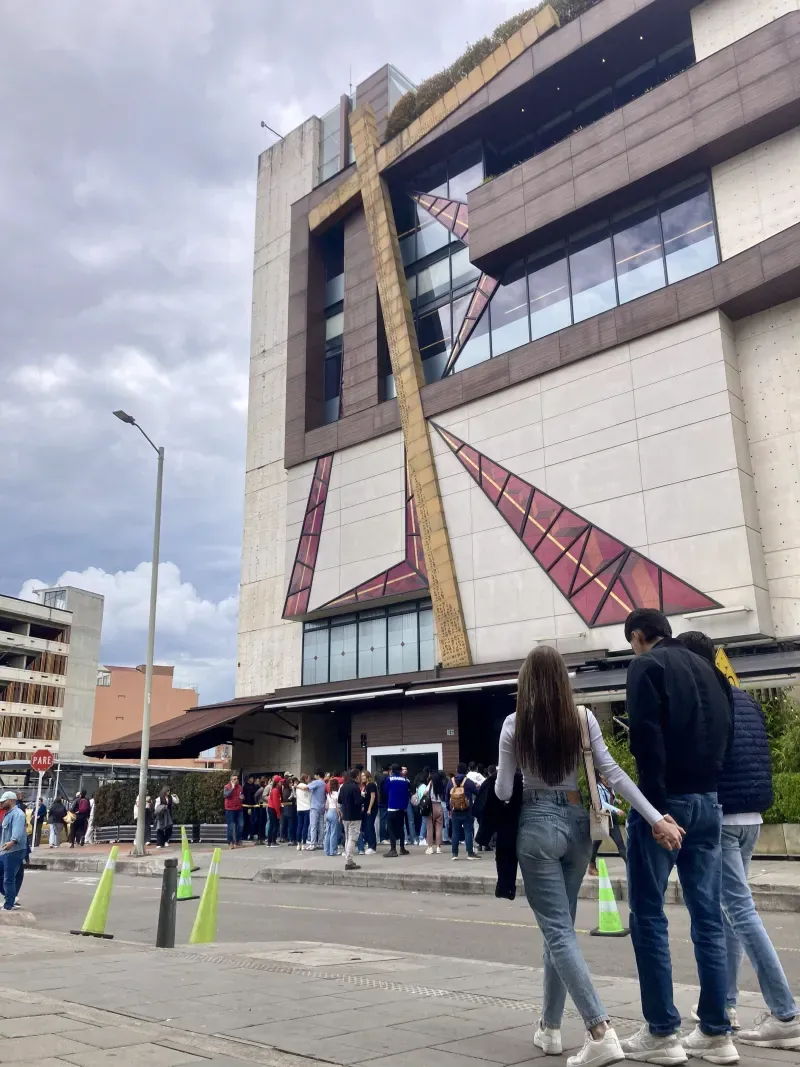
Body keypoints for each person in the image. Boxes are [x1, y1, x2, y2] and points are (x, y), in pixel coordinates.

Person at [497, 644, 683, 1067]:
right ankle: (549, 1027)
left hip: (536, 826)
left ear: (525, 682)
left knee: (557, 931)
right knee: (559, 929)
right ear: (563, 681)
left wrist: (500, 777)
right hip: (579, 824)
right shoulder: (581, 718)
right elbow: (612, 773)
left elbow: (506, 792)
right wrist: (656, 818)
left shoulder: (513, 724)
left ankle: (600, 1031)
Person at [622, 609, 736, 1064]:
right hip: (709, 801)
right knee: (708, 916)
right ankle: (716, 1030)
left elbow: (645, 740)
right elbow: (725, 734)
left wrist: (653, 812)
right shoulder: (712, 672)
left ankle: (663, 1032)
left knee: (648, 915)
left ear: (637, 636)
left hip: (666, 804)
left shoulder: (646, 666)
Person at [678, 631, 800, 1050]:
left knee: (739, 911)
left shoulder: (707, 698)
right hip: (751, 816)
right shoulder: (742, 697)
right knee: (731, 911)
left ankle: (785, 1013)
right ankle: (724, 1004)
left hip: (723, 818)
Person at [588, 775, 627, 876]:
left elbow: (609, 799)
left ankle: (631, 867)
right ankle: (591, 866)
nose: (607, 779)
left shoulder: (610, 786)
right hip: (603, 818)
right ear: (600, 776)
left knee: (620, 844)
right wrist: (616, 809)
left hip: (611, 819)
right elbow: (602, 803)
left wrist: (615, 800)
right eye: (605, 776)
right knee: (596, 843)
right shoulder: (598, 788)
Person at [445, 764, 480, 860]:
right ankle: (470, 853)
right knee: (468, 831)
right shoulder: (468, 782)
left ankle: (454, 854)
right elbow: (477, 792)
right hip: (467, 810)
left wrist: (449, 808)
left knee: (455, 832)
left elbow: (447, 796)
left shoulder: (450, 782)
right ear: (466, 771)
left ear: (456, 770)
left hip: (455, 811)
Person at [0, 792, 26, 910]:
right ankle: (10, 897)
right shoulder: (8, 814)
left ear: (10, 800)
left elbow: (18, 832)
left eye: (3, 801)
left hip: (13, 851)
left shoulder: (18, 814)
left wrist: (12, 842)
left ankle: (9, 904)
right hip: (5, 851)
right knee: (6, 878)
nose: (1, 803)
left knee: (8, 878)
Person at [338, 768, 362, 871]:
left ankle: (348, 859)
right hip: (355, 816)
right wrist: (363, 798)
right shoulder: (355, 787)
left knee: (348, 838)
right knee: (352, 838)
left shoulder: (343, 786)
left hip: (346, 816)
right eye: (359, 775)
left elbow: (339, 800)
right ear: (356, 776)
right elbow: (358, 802)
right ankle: (349, 861)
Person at [385, 764, 411, 857]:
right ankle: (402, 848)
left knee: (391, 828)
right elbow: (407, 794)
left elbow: (385, 791)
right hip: (402, 808)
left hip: (392, 807)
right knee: (400, 828)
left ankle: (393, 849)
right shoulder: (405, 780)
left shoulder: (389, 779)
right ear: (400, 771)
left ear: (392, 770)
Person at [425, 769, 446, 855]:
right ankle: (438, 847)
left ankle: (430, 847)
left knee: (430, 828)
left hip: (431, 807)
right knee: (439, 828)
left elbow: (425, 792)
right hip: (439, 806)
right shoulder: (441, 784)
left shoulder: (430, 783)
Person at [306, 769, 326, 851]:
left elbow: (307, 787)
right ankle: (320, 843)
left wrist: (297, 786)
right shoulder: (324, 784)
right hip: (322, 807)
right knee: (321, 826)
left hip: (314, 806)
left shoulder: (316, 782)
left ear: (318, 775)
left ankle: (312, 843)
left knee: (313, 825)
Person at [224, 774, 244, 849]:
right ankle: (230, 842)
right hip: (230, 809)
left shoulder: (240, 787)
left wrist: (242, 797)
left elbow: (242, 795)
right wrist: (232, 788)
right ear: (231, 780)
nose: (236, 780)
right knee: (231, 826)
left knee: (241, 825)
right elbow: (226, 795)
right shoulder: (227, 787)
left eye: (237, 779)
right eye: (234, 779)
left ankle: (238, 841)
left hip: (239, 808)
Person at [360, 771, 378, 855]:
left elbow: (373, 796)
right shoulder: (366, 786)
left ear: (367, 776)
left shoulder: (371, 785)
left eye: (364, 776)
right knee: (367, 827)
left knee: (370, 827)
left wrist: (369, 808)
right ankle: (370, 844)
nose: (362, 777)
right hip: (367, 809)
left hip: (372, 809)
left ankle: (372, 847)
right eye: (361, 776)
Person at [324, 779, 340, 857]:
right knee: (334, 832)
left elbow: (326, 806)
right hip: (334, 812)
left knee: (328, 832)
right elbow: (337, 807)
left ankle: (326, 851)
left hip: (328, 812)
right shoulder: (337, 794)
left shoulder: (329, 794)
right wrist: (340, 816)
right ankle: (333, 851)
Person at [401, 766, 417, 846]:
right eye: (403, 769)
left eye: (406, 769)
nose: (405, 770)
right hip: (402, 800)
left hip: (407, 800)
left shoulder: (408, 780)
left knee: (411, 820)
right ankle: (405, 839)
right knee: (403, 821)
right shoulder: (401, 780)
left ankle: (413, 838)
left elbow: (411, 790)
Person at [295, 774, 311, 851]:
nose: (309, 780)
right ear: (305, 778)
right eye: (308, 778)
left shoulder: (297, 787)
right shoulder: (307, 787)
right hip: (307, 808)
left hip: (299, 808)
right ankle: (304, 843)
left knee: (299, 826)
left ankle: (298, 844)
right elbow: (310, 797)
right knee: (305, 827)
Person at [267, 776, 282, 846]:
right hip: (273, 809)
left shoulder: (273, 789)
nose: (281, 783)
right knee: (275, 825)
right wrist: (278, 813)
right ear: (277, 782)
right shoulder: (275, 790)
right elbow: (276, 803)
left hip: (271, 808)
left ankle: (270, 841)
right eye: (280, 782)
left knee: (272, 825)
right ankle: (273, 841)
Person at [377, 765, 390, 844]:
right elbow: (386, 791)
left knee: (382, 819)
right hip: (385, 801)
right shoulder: (386, 778)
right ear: (389, 770)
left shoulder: (379, 778)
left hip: (380, 801)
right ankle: (383, 837)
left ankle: (383, 837)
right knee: (384, 820)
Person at [242, 775, 257, 841]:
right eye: (252, 778)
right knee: (248, 821)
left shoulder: (253, 786)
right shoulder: (246, 787)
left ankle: (251, 834)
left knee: (252, 821)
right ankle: (245, 835)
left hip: (253, 806)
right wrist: (249, 807)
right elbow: (248, 797)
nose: (253, 779)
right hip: (248, 806)